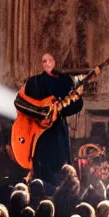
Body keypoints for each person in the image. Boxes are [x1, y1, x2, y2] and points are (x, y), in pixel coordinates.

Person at [18, 53, 83, 187]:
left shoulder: (65, 81)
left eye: (49, 60)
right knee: (42, 174)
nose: (46, 63)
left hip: (58, 133)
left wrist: (75, 98)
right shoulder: (34, 82)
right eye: (44, 61)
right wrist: (42, 113)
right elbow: (21, 104)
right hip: (39, 135)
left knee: (60, 171)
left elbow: (73, 107)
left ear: (54, 62)